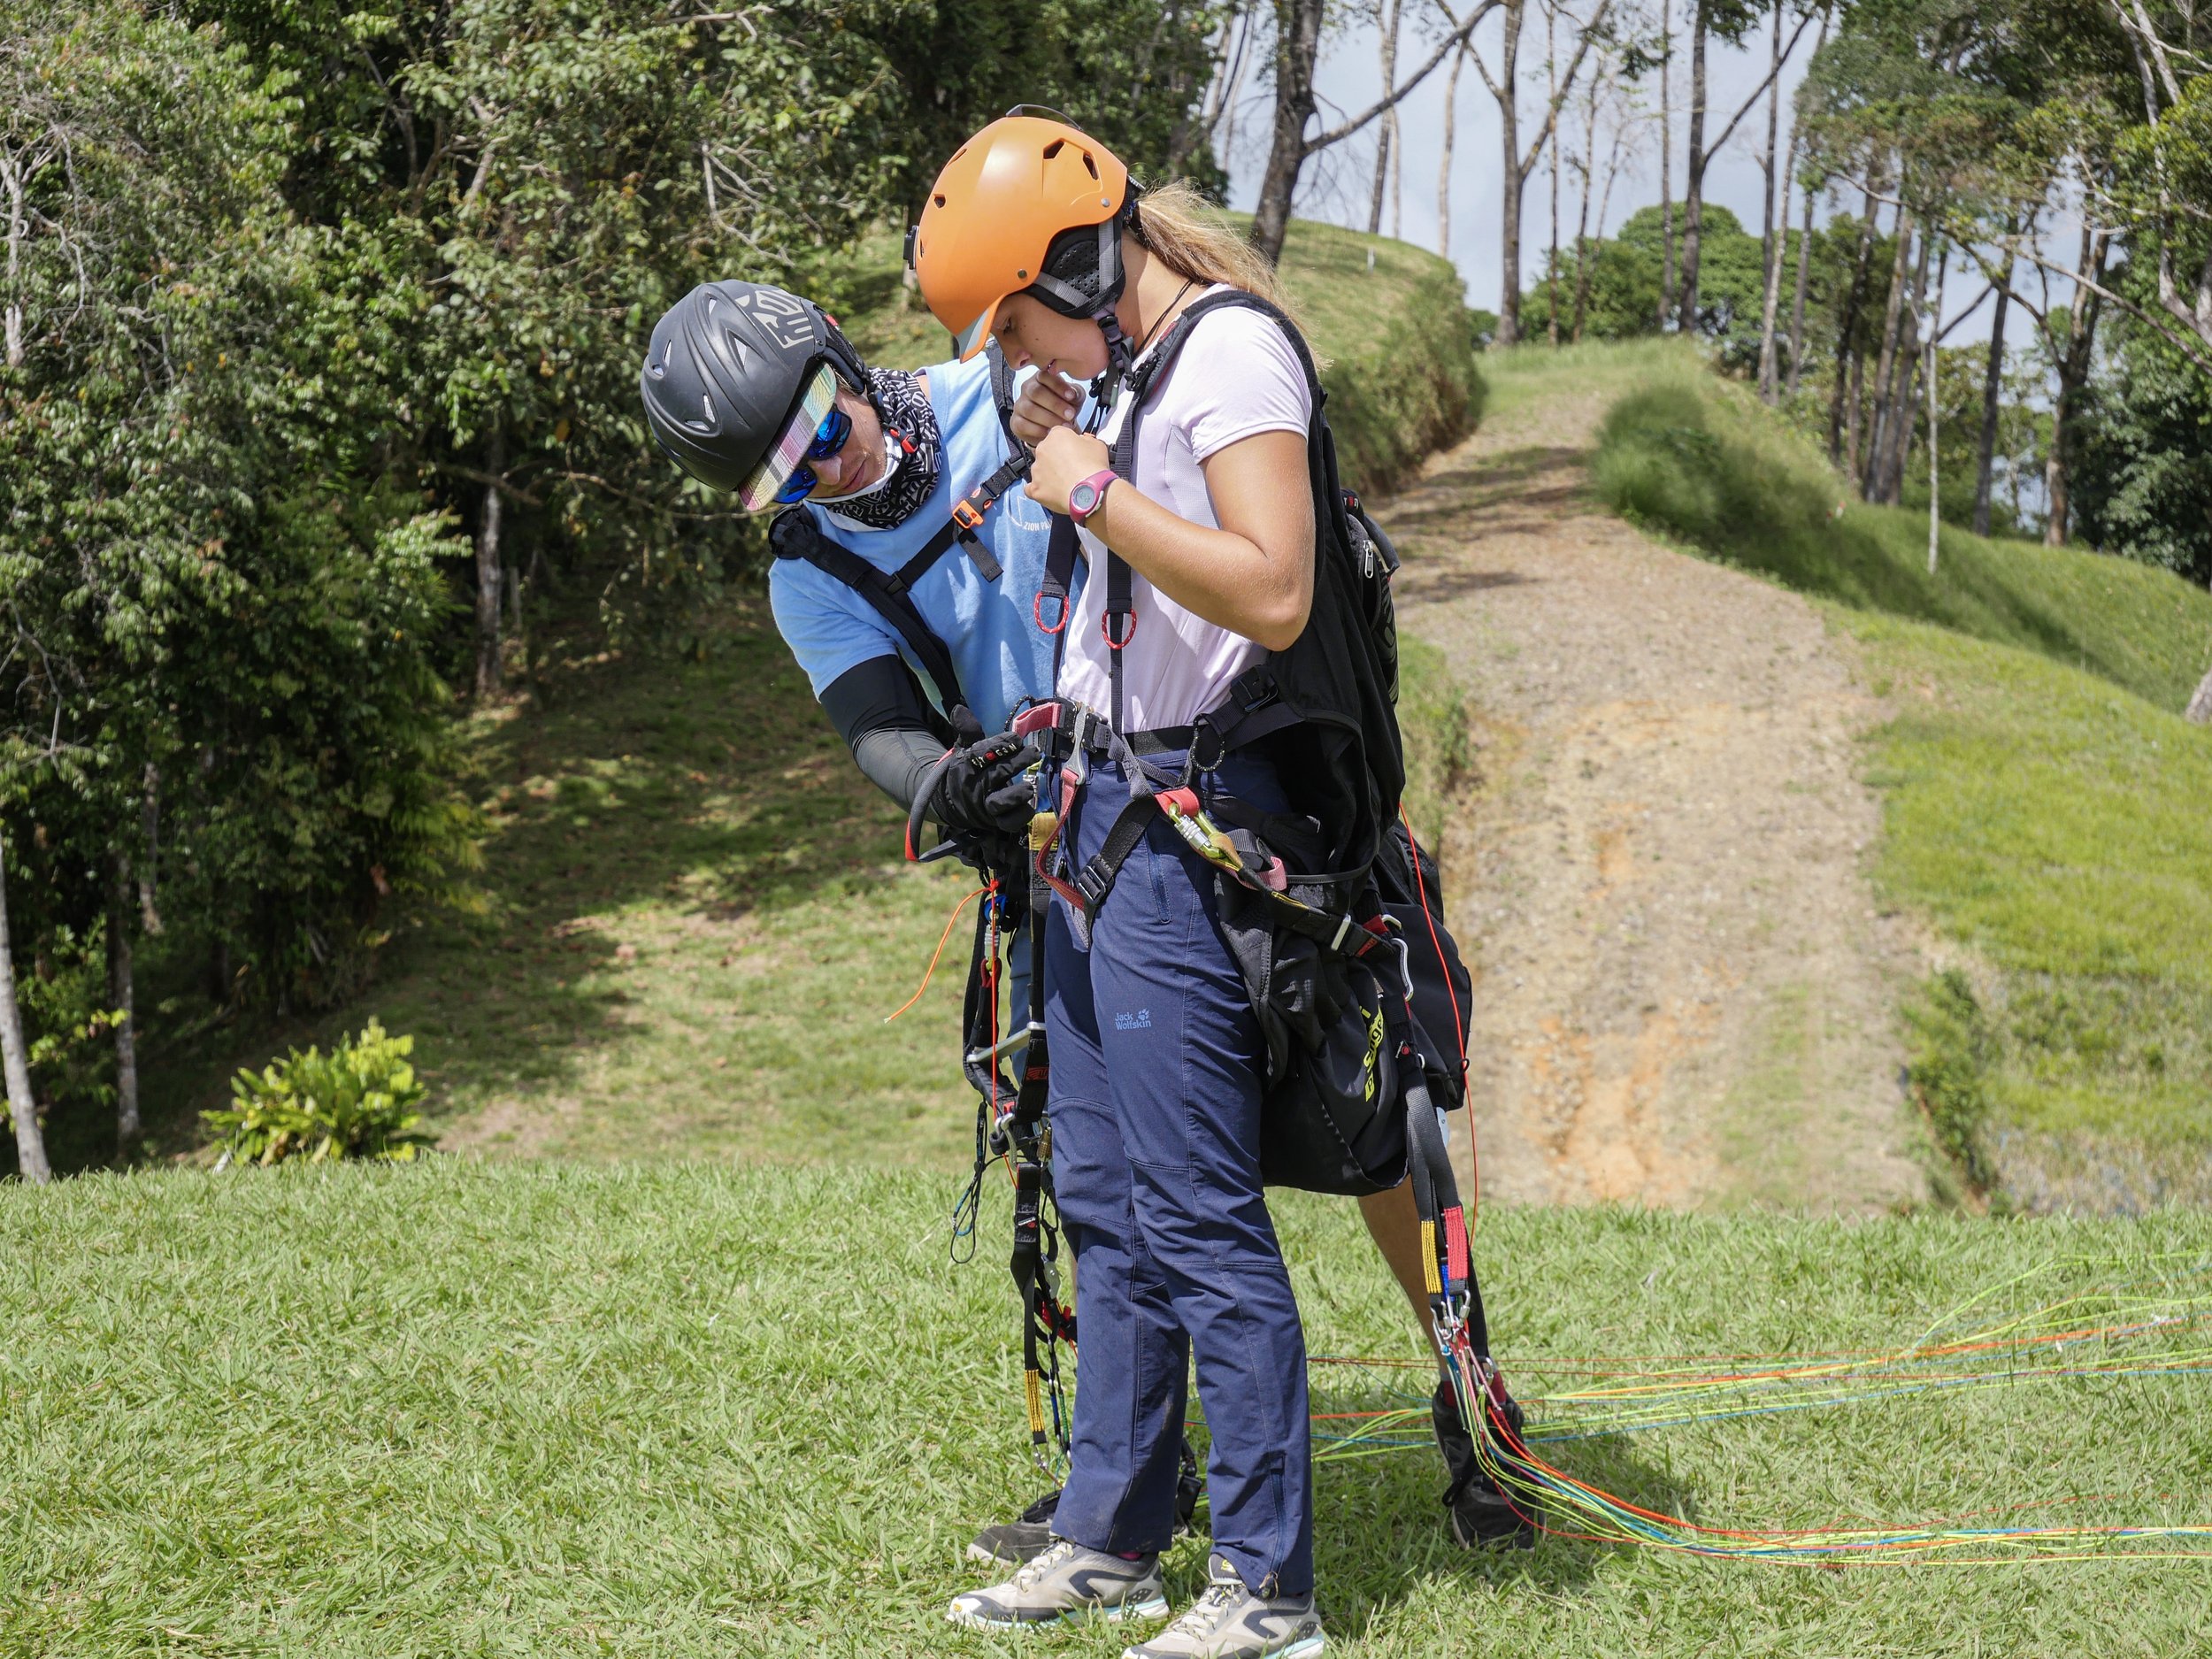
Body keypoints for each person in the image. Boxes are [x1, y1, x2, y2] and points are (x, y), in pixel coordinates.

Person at [911, 113, 1517, 1658]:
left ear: (1083, 264)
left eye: (1012, 323)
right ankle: (1109, 1531)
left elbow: (1274, 581)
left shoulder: (1236, 357)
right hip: (1097, 811)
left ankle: (1266, 1588)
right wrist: (1061, 436)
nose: (1010, 355)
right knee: (1110, 1200)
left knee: (1195, 1206)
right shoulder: (1124, 366)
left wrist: (1090, 486)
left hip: (1199, 821)